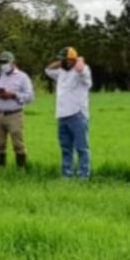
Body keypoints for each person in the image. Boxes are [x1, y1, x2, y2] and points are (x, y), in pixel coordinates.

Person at [44, 47, 93, 179]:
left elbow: (81, 70)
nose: (62, 62)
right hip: (62, 115)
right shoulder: (61, 72)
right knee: (66, 149)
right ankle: (67, 175)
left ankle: (84, 176)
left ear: (72, 60)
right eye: (61, 60)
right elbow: (48, 70)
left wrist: (79, 59)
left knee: (82, 148)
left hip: (77, 114)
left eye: (65, 60)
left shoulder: (82, 70)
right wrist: (60, 61)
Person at [0, 51, 35, 168]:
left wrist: (14, 95)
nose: (3, 65)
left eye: (5, 62)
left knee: (18, 143)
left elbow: (30, 97)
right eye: (1, 62)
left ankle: (21, 168)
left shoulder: (22, 77)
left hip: (14, 114)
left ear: (13, 62)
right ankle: (0, 168)